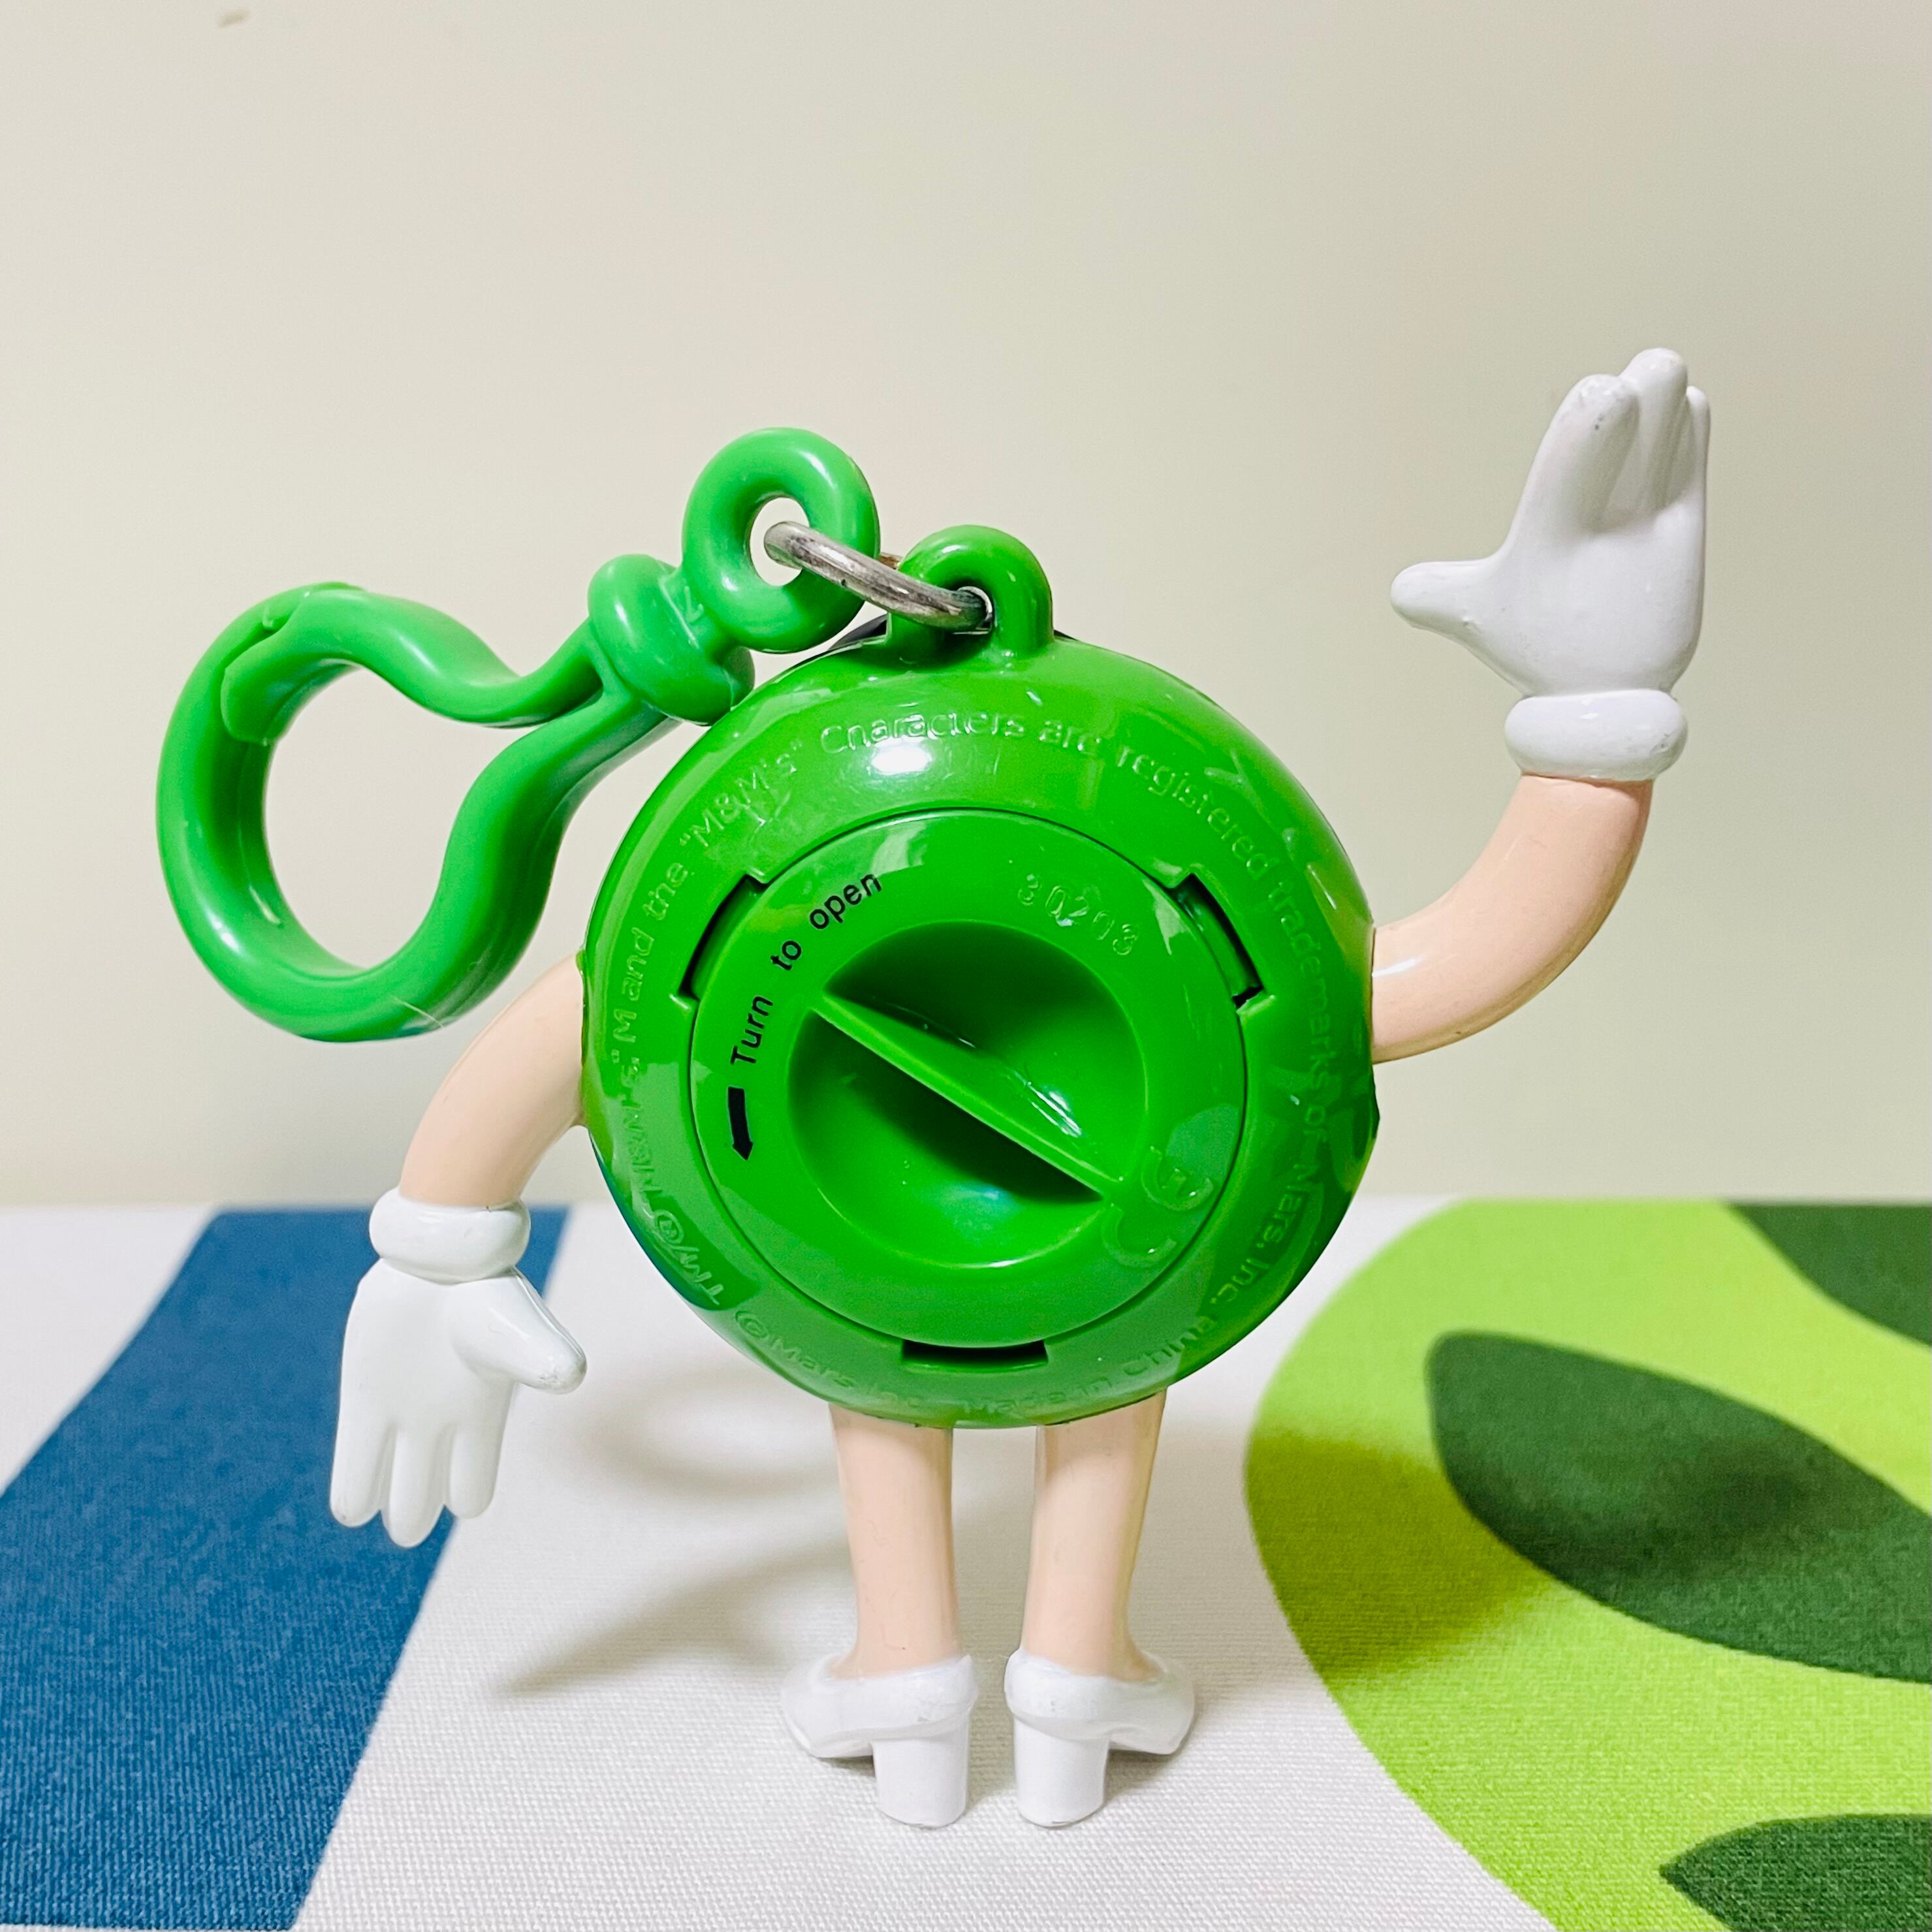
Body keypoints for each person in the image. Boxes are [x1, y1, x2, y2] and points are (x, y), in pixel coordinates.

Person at [330, 351, 1709, 1828]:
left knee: (897, 1367)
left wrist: (439, 1242)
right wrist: (1594, 713)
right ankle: (1069, 1672)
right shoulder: (1242, 965)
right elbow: (1443, 970)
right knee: (1083, 1356)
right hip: (1111, 1254)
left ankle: (913, 1672)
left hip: (867, 1259)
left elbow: (597, 1019)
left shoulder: (706, 932)